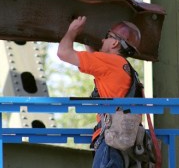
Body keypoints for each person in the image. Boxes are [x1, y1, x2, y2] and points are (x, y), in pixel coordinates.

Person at [57, 16, 142, 168]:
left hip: (110, 142)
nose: (102, 41)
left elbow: (63, 52)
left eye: (107, 37)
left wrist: (72, 31)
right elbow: (95, 62)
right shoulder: (125, 68)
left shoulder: (110, 62)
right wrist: (86, 39)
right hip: (125, 145)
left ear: (115, 42)